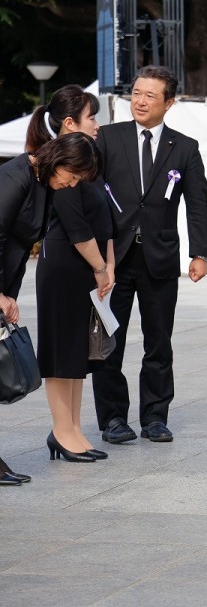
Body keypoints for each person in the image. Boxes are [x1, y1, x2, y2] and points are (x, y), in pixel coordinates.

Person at [91, 65, 207, 445]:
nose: (140, 101)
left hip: (160, 258)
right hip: (114, 259)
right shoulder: (107, 139)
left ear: (169, 103)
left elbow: (197, 204)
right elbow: (91, 198)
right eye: (136, 93)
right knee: (110, 341)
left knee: (159, 342)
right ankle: (113, 419)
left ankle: (155, 417)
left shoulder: (185, 147)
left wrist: (199, 253)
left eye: (149, 96)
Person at [0, 132, 104, 477]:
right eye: (71, 176)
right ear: (57, 161)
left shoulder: (44, 185)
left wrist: (8, 293)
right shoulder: (17, 176)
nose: (71, 184)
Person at [24, 86, 113, 464]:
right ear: (70, 122)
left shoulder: (84, 159)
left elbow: (104, 218)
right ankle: (62, 431)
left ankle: (74, 428)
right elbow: (77, 227)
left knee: (77, 352)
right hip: (65, 265)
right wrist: (100, 266)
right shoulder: (58, 163)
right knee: (61, 351)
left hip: (86, 267)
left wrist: (107, 266)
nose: (97, 125)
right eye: (92, 117)